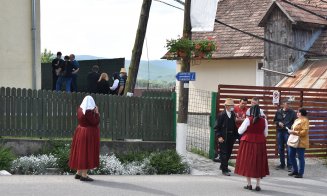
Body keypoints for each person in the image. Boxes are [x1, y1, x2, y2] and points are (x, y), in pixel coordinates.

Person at [235, 105, 269, 191]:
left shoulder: (248, 120)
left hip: (248, 143)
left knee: (248, 162)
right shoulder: (264, 120)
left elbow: (240, 131)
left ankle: (249, 184)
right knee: (259, 163)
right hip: (260, 144)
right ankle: (258, 185)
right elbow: (266, 134)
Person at [69, 95, 100, 181]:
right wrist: (97, 113)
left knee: (81, 152)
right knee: (86, 153)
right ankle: (84, 175)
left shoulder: (80, 109)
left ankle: (78, 173)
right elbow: (95, 122)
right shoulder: (88, 112)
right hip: (88, 134)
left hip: (80, 131)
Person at [214, 98, 238, 176]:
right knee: (223, 153)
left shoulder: (233, 114)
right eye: (231, 105)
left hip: (231, 136)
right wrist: (219, 136)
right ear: (226, 106)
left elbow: (234, 126)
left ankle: (222, 166)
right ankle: (224, 169)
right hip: (223, 137)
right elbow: (216, 127)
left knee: (229, 152)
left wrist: (236, 136)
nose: (232, 107)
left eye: (232, 105)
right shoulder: (221, 115)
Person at [274, 100, 297, 171]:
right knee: (280, 148)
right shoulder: (278, 112)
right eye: (286, 105)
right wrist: (278, 123)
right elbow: (275, 120)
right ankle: (282, 164)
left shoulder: (292, 113)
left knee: (288, 148)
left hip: (287, 132)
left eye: (289, 105)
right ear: (283, 105)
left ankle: (289, 165)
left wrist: (289, 127)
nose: (288, 106)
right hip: (280, 132)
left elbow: (295, 122)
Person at [288, 108, 309, 178]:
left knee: (300, 157)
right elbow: (293, 128)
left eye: (298, 112)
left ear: (302, 113)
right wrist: (290, 130)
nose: (297, 113)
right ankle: (295, 170)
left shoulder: (305, 120)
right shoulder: (296, 120)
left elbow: (304, 132)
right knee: (291, 155)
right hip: (293, 140)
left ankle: (300, 173)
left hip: (301, 141)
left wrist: (294, 132)